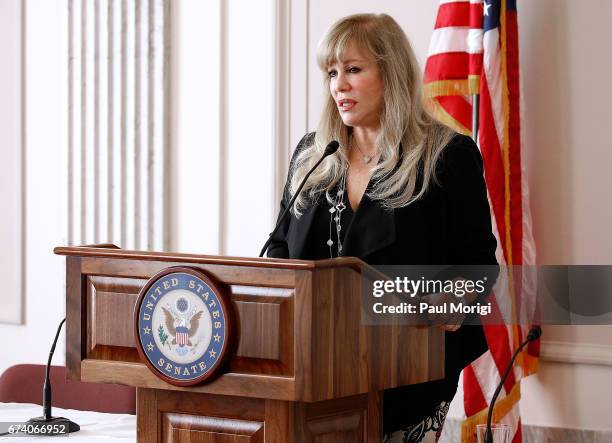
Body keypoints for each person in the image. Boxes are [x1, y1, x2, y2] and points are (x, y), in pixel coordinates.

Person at [266, 13, 498, 443]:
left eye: (353, 70)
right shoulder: (313, 154)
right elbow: (279, 248)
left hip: (405, 373)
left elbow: (478, 264)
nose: (339, 85)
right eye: (332, 73)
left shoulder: (446, 155)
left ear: (391, 72)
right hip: (309, 371)